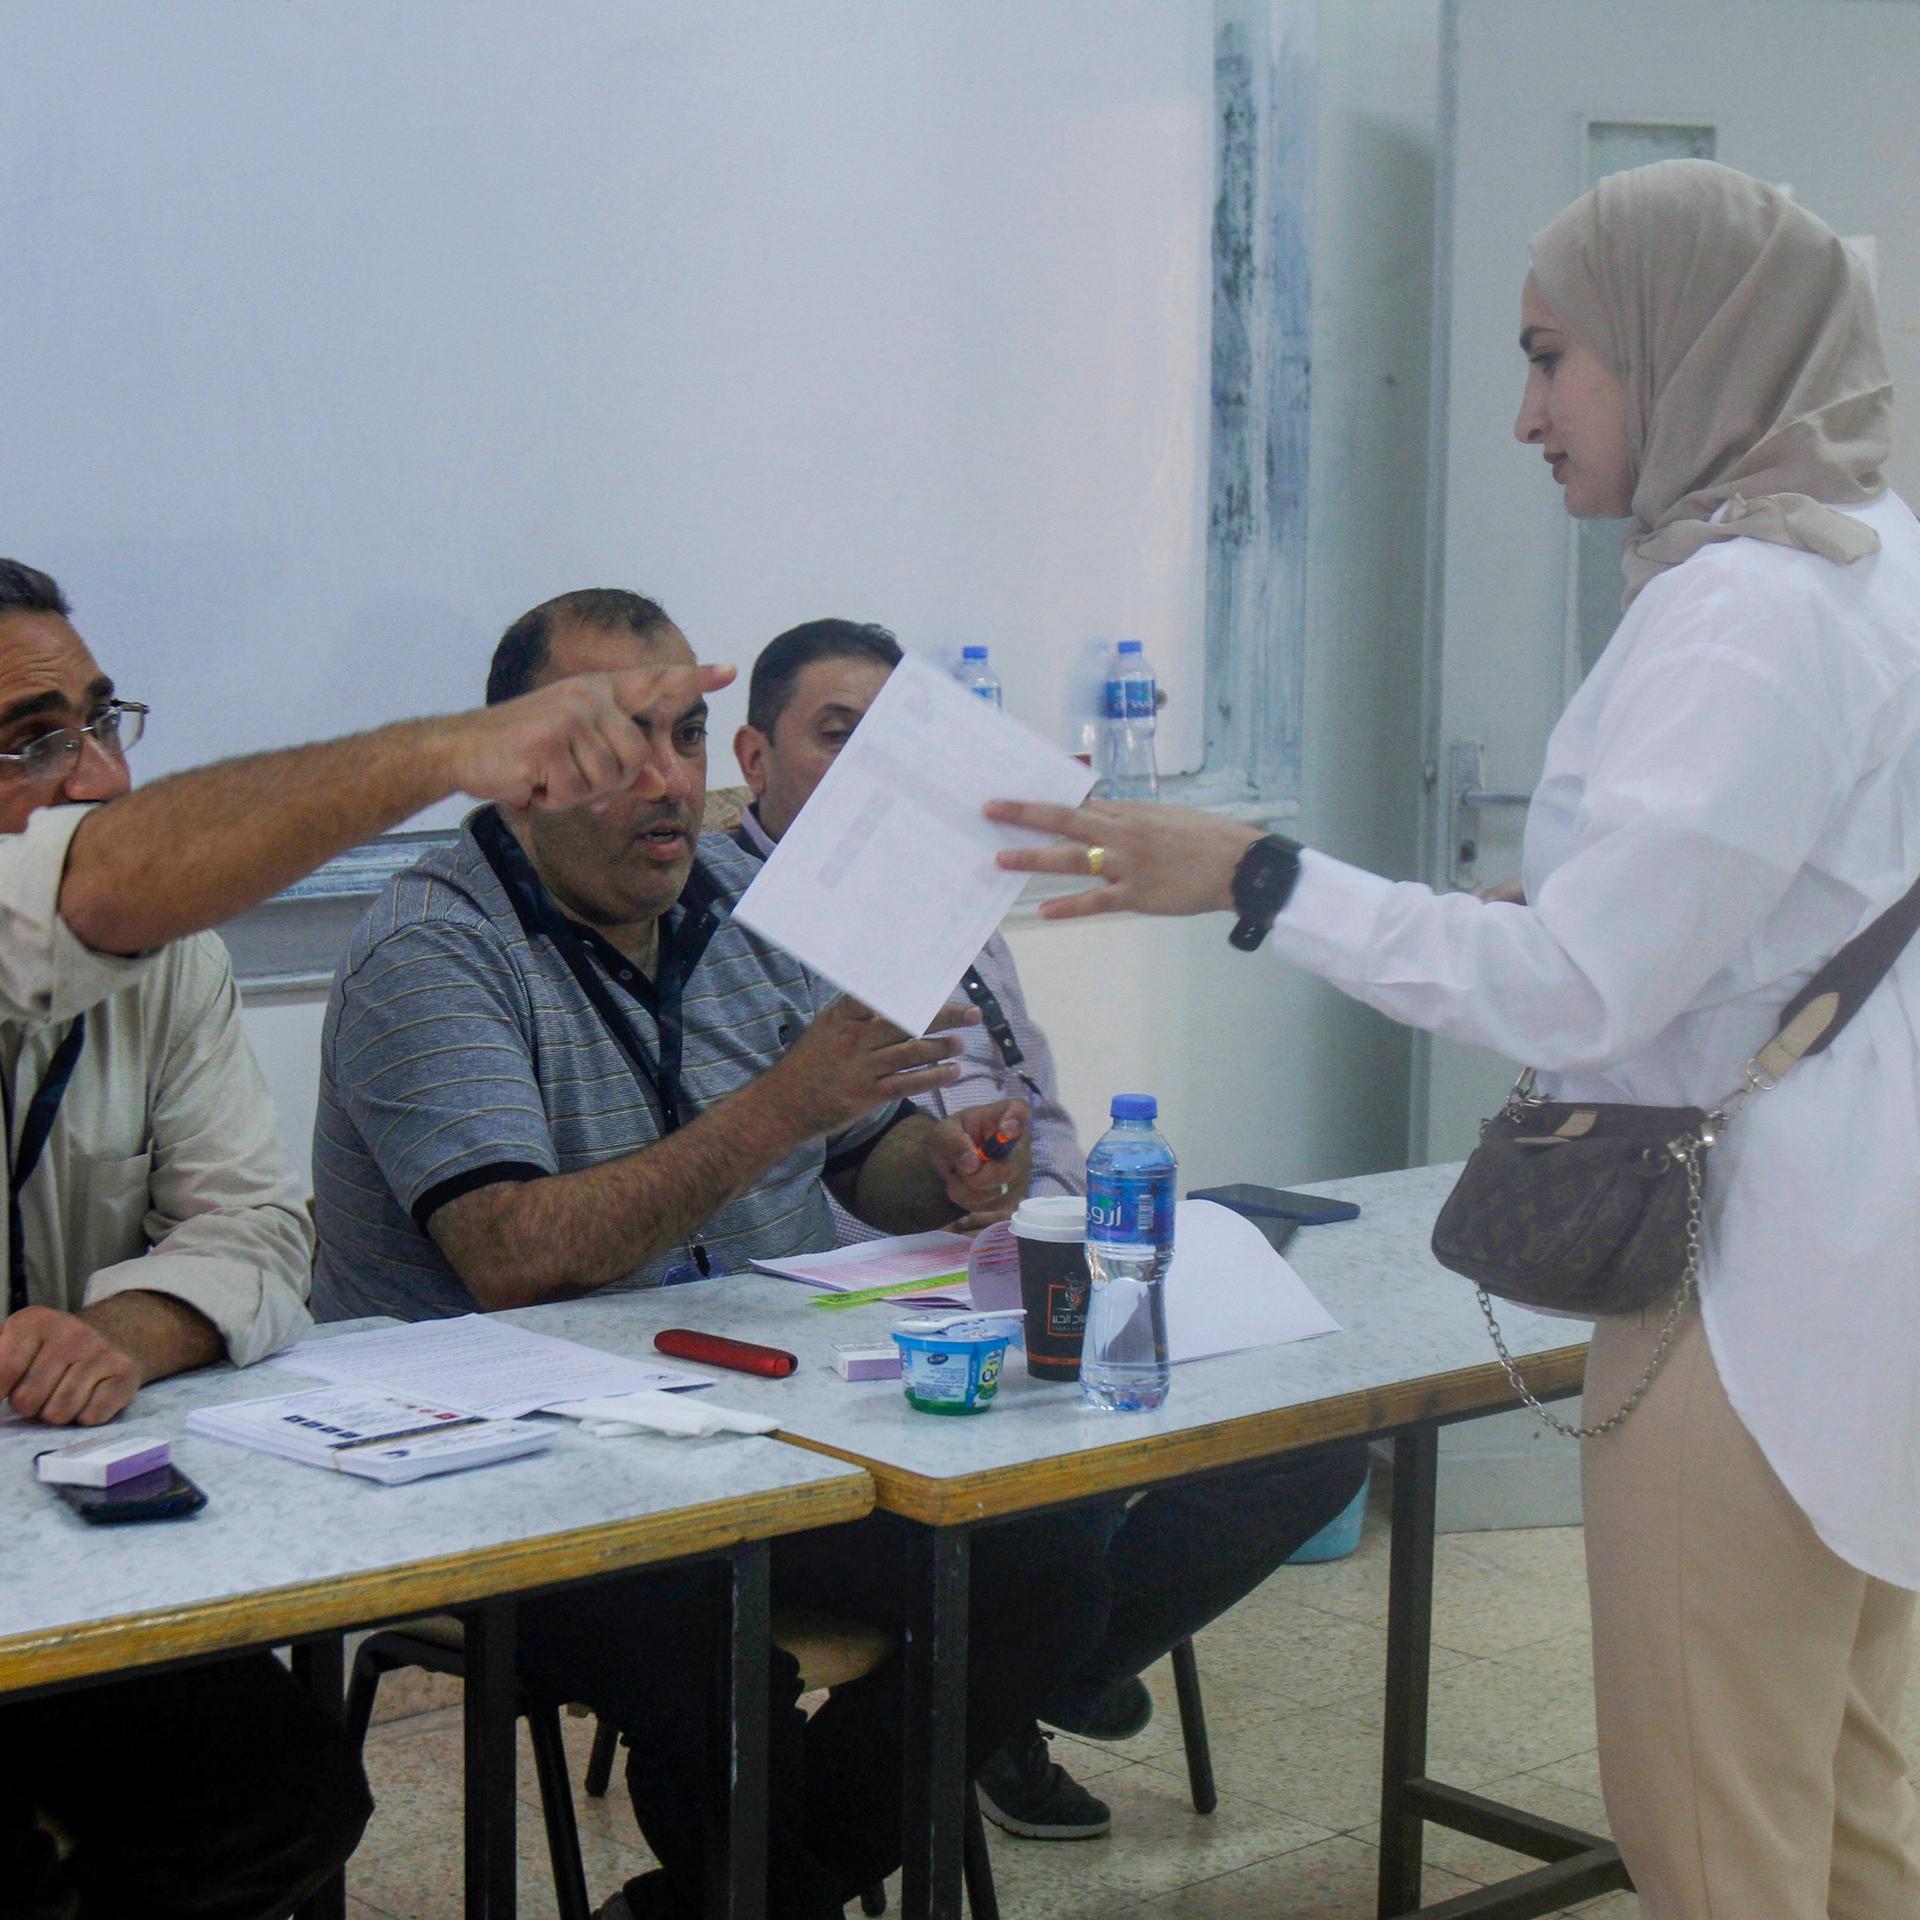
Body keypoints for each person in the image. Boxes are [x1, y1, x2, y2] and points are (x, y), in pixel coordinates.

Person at [993, 160, 1920, 1919]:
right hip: (1867, 1269)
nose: (1522, 414)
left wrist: (1256, 875)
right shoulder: (1876, 568)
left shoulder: (1749, 609)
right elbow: (1748, 925)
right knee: (1851, 1807)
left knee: (1717, 1830)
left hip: (1759, 1303)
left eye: (1552, 355)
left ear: (1681, 349)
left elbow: (1581, 991)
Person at [310, 587, 1109, 1920]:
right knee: (708, 1635)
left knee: (1042, 1552)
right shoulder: (430, 946)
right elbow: (513, 1254)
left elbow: (857, 1165)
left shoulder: (737, 922)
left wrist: (956, 1168)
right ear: (519, 764)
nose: (669, 783)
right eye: (625, 744)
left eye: (684, 736)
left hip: (745, 1423)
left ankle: (716, 1907)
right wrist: (786, 1102)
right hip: (504, 1468)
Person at [0, 557, 727, 1918]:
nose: (96, 778)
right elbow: (516, 1250)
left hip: (76, 1532)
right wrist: (449, 752)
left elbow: (260, 1230)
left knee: (287, 1799)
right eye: (35, 742)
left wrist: (116, 1335)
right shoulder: (431, 941)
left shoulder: (174, 967)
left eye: (103, 722)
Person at [733, 617, 1368, 1843]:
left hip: (1022, 1273)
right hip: (852, 1312)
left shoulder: (956, 902)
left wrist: (1046, 1212)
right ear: (755, 754)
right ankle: (1014, 1683)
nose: (864, 777)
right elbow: (800, 1184)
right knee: (1051, 1508)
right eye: (832, 739)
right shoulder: (718, 926)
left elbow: (1043, 1119)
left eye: (890, 751)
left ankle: (1037, 1671)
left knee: (1317, 1442)